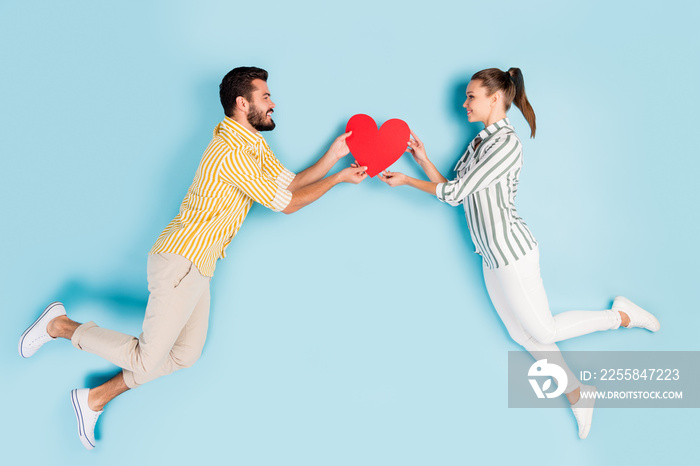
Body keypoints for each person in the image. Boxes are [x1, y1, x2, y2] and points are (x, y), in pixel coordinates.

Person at [18, 66, 368, 450]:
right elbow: (285, 204)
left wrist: (335, 156)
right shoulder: (230, 151)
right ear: (242, 102)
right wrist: (336, 180)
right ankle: (61, 326)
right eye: (265, 96)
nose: (273, 103)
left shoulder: (253, 145)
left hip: (198, 267)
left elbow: (288, 182)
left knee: (185, 355)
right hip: (180, 260)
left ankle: (94, 398)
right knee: (147, 358)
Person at [378, 67, 660, 439]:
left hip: (512, 252)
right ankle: (579, 394)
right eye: (466, 97)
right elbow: (454, 190)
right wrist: (422, 161)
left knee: (544, 329)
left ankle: (621, 315)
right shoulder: (480, 142)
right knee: (522, 336)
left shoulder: (507, 143)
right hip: (491, 256)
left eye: (471, 97)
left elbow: (456, 194)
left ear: (495, 99)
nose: (465, 103)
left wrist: (408, 182)